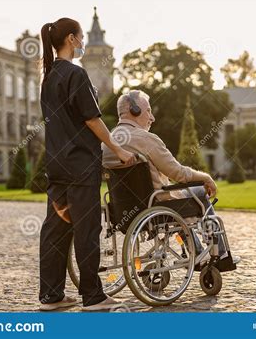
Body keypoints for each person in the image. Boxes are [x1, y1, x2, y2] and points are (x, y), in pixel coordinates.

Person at [38, 18, 137, 312]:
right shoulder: (76, 75)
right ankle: (93, 296)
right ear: (71, 38)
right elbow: (92, 120)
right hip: (80, 165)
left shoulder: (48, 77)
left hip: (56, 166)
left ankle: (51, 296)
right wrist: (117, 148)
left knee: (55, 231)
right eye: (80, 37)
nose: (82, 42)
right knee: (86, 229)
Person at [102, 90, 239, 269]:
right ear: (134, 110)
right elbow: (179, 173)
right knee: (198, 191)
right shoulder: (147, 139)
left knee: (180, 198)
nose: (152, 118)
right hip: (156, 206)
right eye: (148, 111)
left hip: (122, 210)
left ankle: (196, 253)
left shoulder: (106, 144)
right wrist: (205, 177)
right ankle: (219, 254)